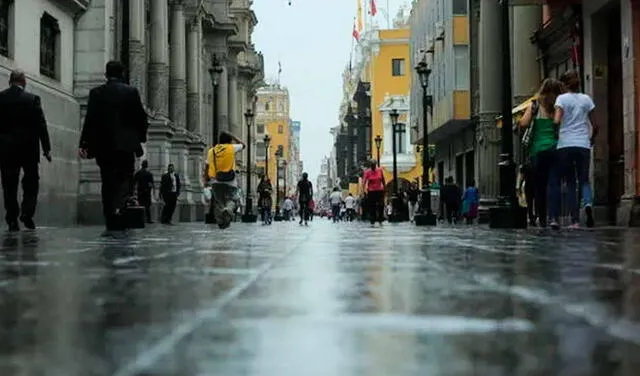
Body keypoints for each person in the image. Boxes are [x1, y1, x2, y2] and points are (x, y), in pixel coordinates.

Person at [78, 61, 148, 236]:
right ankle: (121, 214)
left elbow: (90, 121)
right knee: (125, 180)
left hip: (104, 146)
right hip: (126, 146)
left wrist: (84, 144)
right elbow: (141, 118)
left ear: (106, 74)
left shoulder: (97, 93)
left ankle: (110, 218)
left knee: (107, 182)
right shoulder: (131, 92)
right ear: (122, 72)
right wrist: (140, 138)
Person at [0, 70, 52, 231]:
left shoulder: (0, 98)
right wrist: (46, 149)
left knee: (9, 185)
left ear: (10, 81)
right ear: (24, 82)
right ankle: (27, 213)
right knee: (31, 183)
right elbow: (41, 125)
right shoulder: (32, 100)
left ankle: (12, 219)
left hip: (6, 150)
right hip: (28, 149)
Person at [551, 70, 598, 229]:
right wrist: (591, 138)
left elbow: (557, 120)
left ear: (564, 85)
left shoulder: (561, 99)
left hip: (565, 144)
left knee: (571, 182)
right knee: (584, 179)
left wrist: (556, 132)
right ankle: (588, 203)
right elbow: (595, 124)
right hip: (583, 144)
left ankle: (575, 221)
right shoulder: (586, 99)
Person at [519, 78, 565, 228]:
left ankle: (542, 218)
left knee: (539, 186)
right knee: (554, 184)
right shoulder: (559, 105)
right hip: (555, 147)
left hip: (537, 151)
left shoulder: (535, 104)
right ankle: (554, 218)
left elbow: (523, 123)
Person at [204, 132, 245, 229]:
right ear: (229, 140)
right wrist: (234, 136)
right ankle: (228, 209)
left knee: (219, 202)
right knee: (232, 199)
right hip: (230, 180)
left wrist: (206, 179)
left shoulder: (211, 151)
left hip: (215, 180)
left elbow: (207, 166)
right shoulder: (231, 148)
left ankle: (222, 222)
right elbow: (243, 145)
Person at [363, 160, 385, 226]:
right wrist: (363, 190)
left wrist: (384, 187)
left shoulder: (380, 170)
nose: (373, 166)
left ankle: (380, 218)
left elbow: (383, 179)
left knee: (381, 205)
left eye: (374, 165)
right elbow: (364, 181)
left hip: (379, 190)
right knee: (372, 206)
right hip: (371, 191)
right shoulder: (367, 172)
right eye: (372, 165)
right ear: (370, 165)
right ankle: (373, 219)